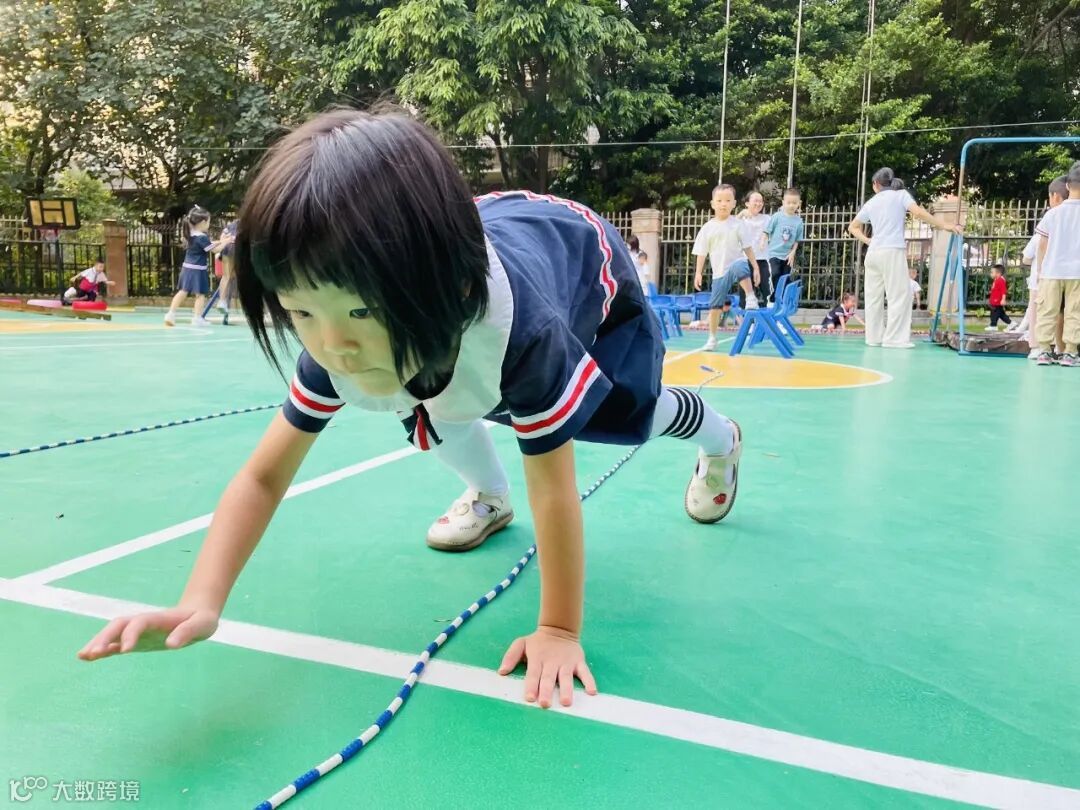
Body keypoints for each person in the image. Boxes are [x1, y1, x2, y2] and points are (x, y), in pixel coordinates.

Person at [76, 108, 747, 710]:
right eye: (300, 311)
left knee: (617, 413)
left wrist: (557, 629)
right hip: (452, 266)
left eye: (359, 313)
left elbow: (553, 489)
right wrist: (201, 599)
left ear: (449, 293)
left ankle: (720, 439)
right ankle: (489, 498)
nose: (333, 345)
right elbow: (262, 475)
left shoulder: (527, 334)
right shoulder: (338, 333)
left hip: (578, 257)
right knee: (427, 396)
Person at [848, 168, 962, 349]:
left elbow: (853, 227)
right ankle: (894, 339)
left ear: (876, 184)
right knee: (899, 296)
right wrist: (945, 225)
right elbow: (918, 213)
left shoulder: (872, 201)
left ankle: (874, 338)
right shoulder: (901, 195)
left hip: (873, 254)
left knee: (873, 298)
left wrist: (868, 241)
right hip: (892, 251)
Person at [693, 184, 761, 352]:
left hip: (736, 267)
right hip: (719, 273)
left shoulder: (738, 224)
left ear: (734, 203)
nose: (723, 204)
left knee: (740, 264)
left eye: (727, 200)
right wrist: (698, 273)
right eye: (719, 200)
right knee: (715, 306)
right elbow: (701, 252)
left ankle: (750, 297)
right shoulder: (707, 228)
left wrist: (755, 267)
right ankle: (712, 338)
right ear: (712, 203)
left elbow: (747, 247)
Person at [1033, 161, 1080, 367]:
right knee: (1075, 312)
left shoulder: (1053, 213)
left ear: (1067, 186)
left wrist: (1040, 269)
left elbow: (1042, 244)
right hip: (1077, 272)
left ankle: (1044, 350)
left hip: (1051, 270)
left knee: (1047, 310)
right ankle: (1070, 352)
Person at [164, 205, 233, 327]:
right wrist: (226, 242)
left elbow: (209, 244)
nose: (209, 225)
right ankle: (197, 318)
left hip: (186, 268)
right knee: (200, 295)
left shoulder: (191, 235)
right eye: (208, 222)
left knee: (182, 292)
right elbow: (215, 250)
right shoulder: (202, 237)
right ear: (202, 222)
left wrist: (221, 241)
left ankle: (170, 314)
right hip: (198, 270)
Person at [763, 188, 804, 301]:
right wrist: (762, 242)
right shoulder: (777, 216)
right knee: (775, 274)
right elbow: (767, 231)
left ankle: (781, 299)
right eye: (789, 202)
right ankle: (774, 297)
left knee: (785, 277)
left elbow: (797, 240)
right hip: (774, 253)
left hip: (787, 256)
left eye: (794, 203)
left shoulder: (799, 221)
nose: (791, 205)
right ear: (783, 202)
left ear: (799, 203)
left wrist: (792, 253)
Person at [738, 191, 772, 305]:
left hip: (762, 259)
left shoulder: (767, 219)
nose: (758, 203)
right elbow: (730, 228)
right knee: (745, 294)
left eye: (761, 201)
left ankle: (771, 314)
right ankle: (745, 315)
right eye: (755, 201)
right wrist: (741, 214)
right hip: (745, 260)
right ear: (747, 203)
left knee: (767, 291)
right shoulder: (742, 218)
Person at [215, 219, 239, 325]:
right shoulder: (250, 223)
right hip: (237, 248)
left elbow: (222, 237)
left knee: (226, 276)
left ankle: (222, 301)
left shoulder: (231, 225)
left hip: (226, 248)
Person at [986, 264, 1011, 331]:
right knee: (998, 314)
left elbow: (1003, 291)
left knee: (996, 314)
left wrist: (1003, 299)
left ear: (998, 273)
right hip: (995, 302)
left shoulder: (1000, 280)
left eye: (992, 272)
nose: (991, 274)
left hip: (997, 302)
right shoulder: (997, 280)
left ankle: (994, 325)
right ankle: (994, 325)